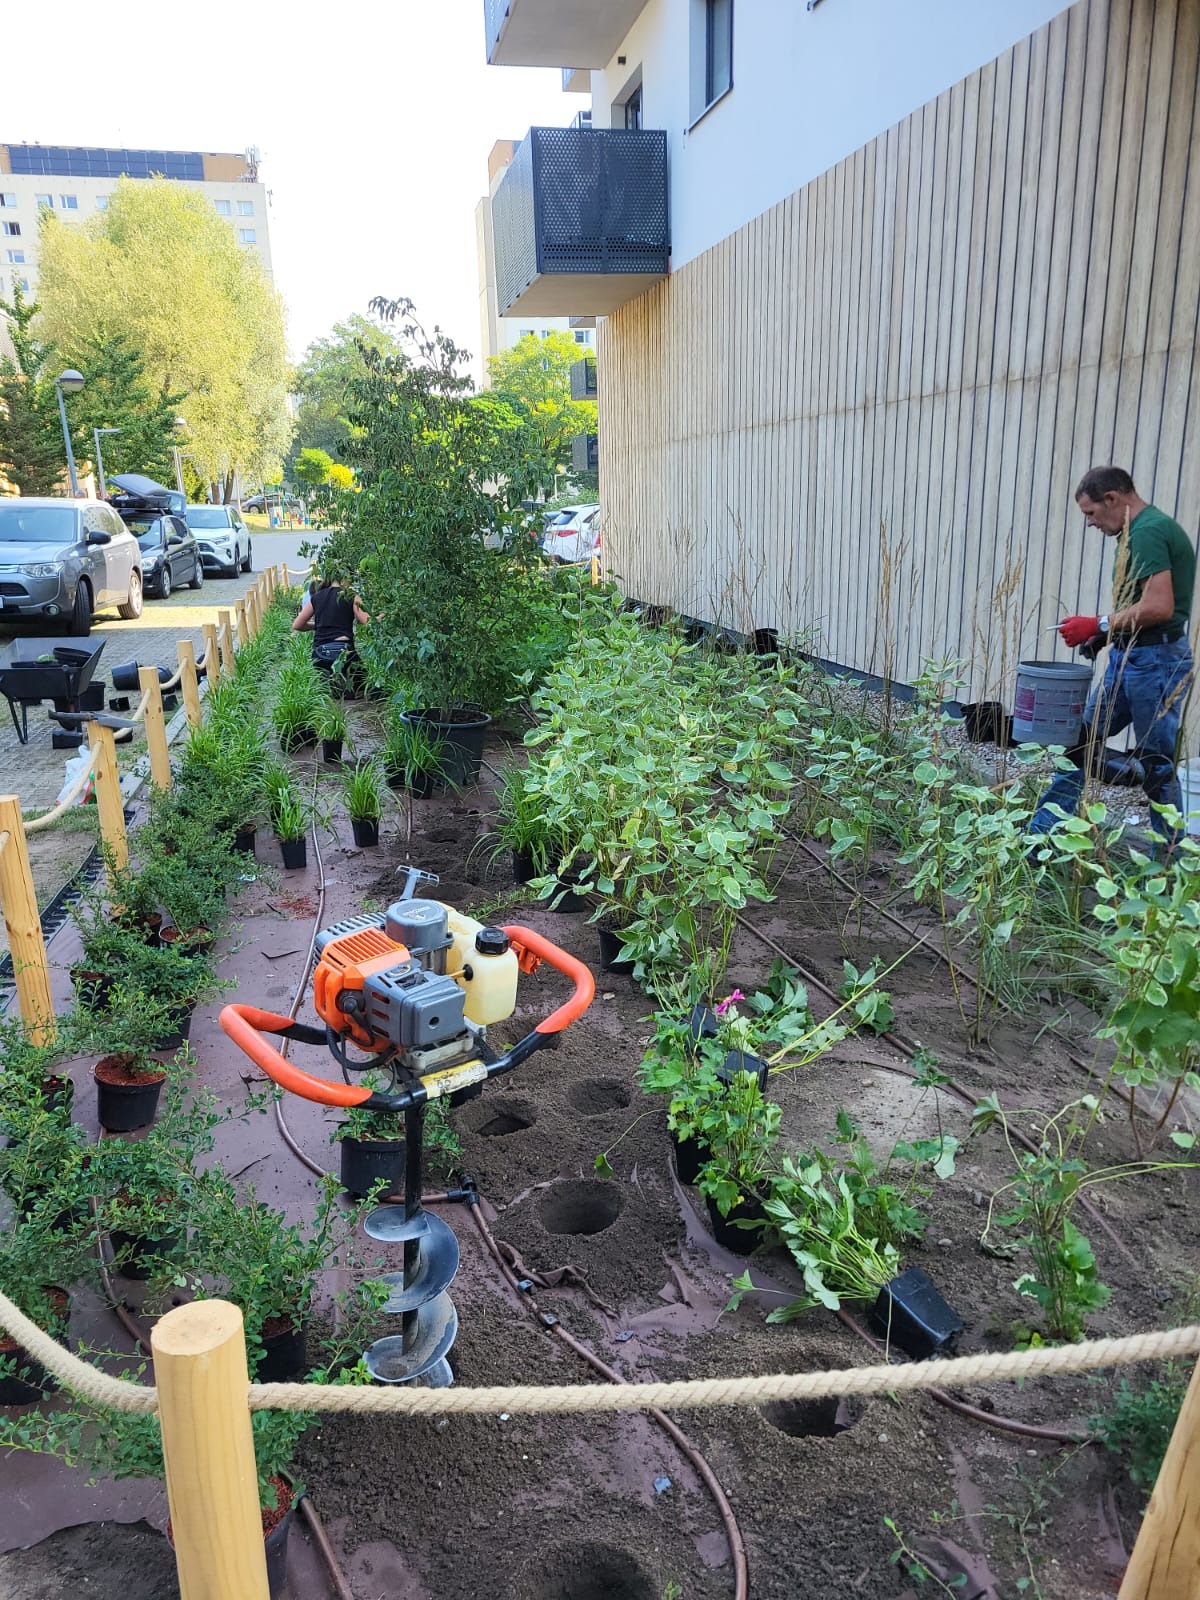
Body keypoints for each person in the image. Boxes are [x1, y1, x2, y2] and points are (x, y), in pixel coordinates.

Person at [1028, 465, 1195, 843]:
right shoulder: (1133, 532)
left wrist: (1099, 624)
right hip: (1132, 658)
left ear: (1113, 499)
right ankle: (1041, 838)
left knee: (1157, 767)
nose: (1090, 523)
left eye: (1090, 513)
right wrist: (1106, 637)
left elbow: (1160, 607)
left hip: (1157, 665)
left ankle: (1169, 868)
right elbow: (1139, 608)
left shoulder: (1148, 532)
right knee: (1078, 743)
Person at [292, 578, 369, 675]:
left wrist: (318, 625)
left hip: (320, 655)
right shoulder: (351, 596)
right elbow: (368, 622)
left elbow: (297, 625)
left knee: (323, 686)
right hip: (345, 654)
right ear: (346, 576)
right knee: (364, 686)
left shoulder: (317, 596)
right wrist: (384, 615)